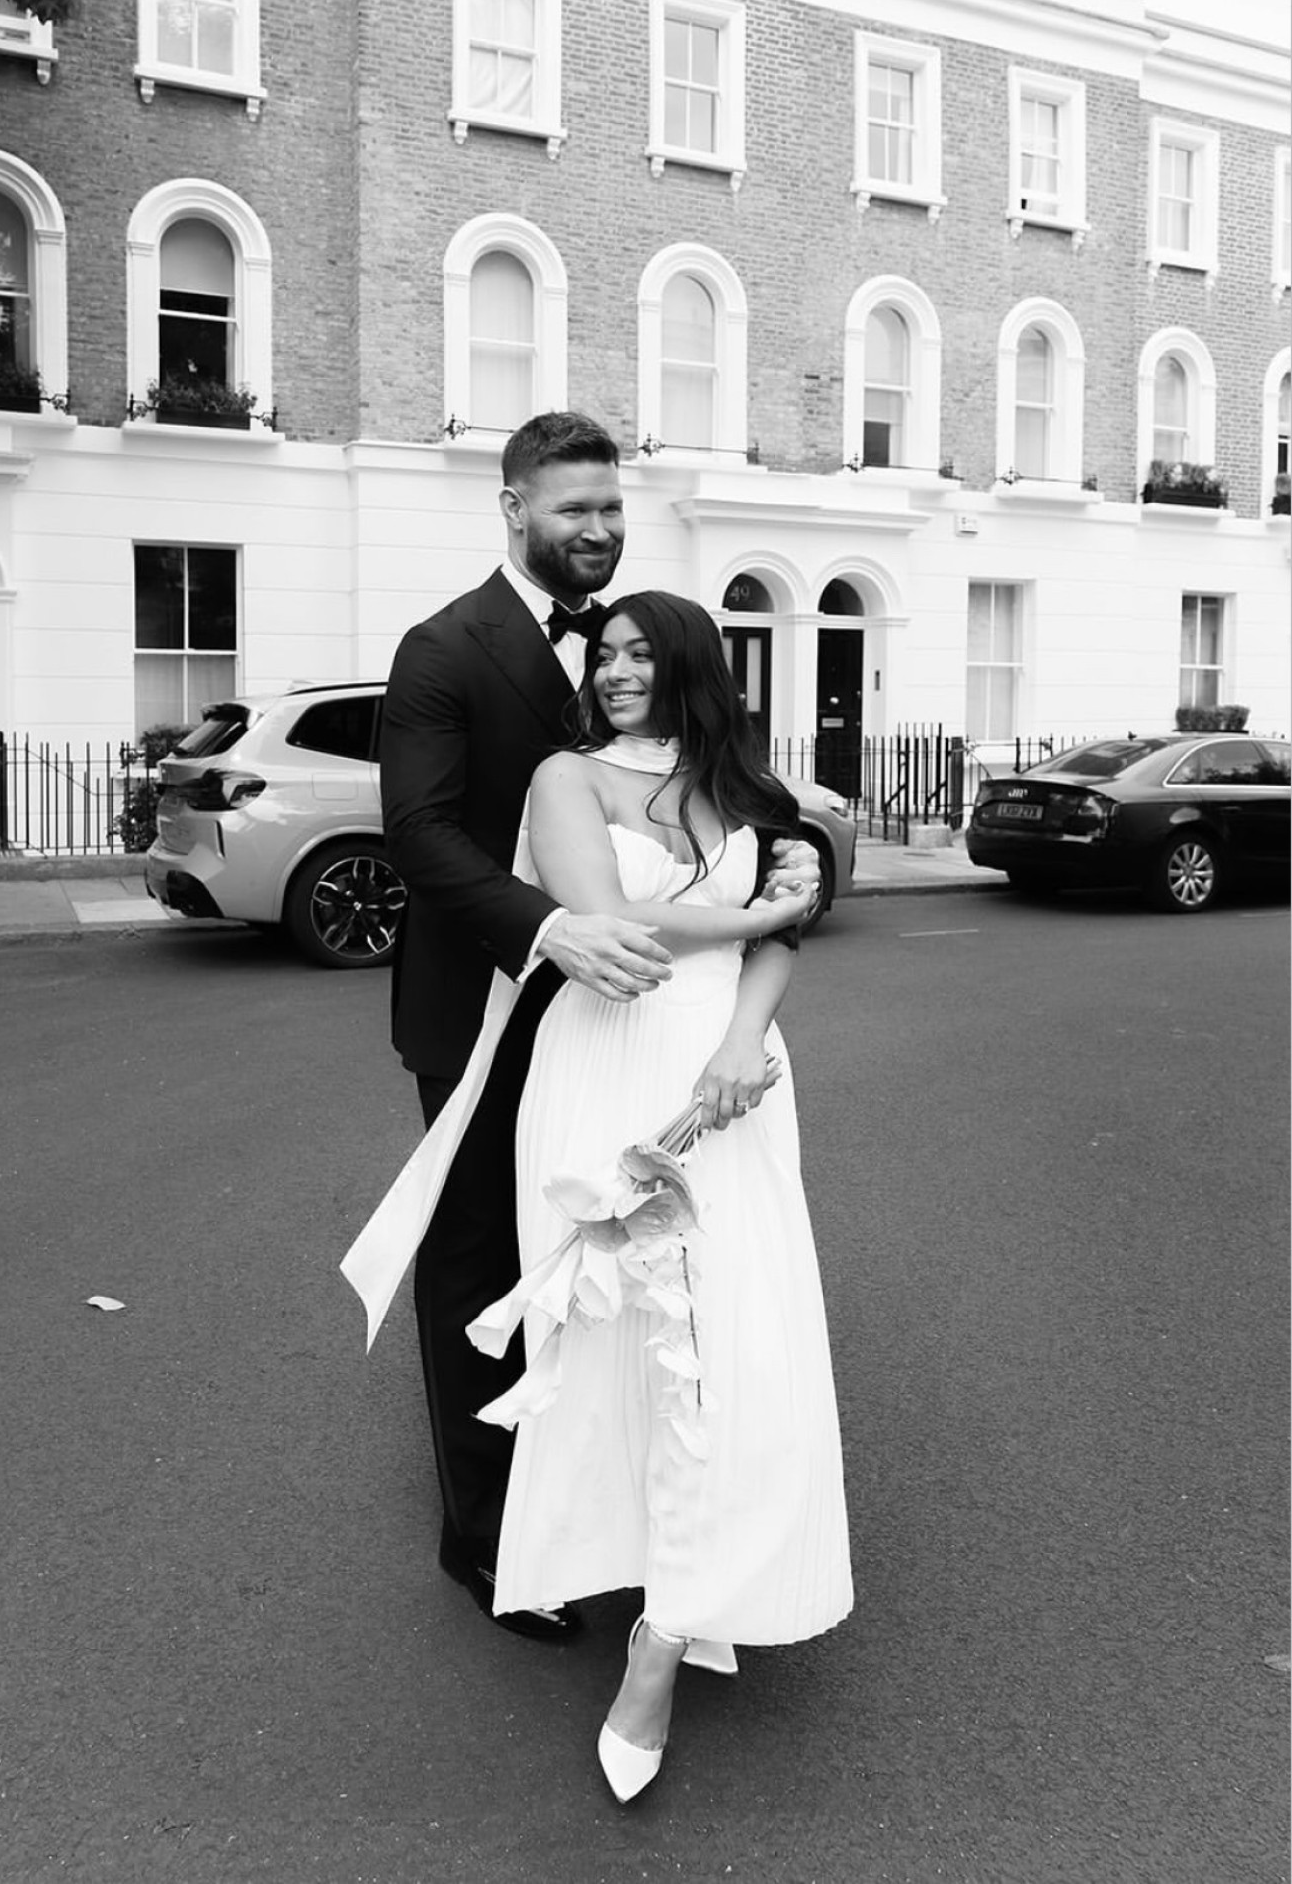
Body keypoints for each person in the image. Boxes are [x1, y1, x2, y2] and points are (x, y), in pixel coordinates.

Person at [374, 411, 819, 1642]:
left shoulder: (637, 643)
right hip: (488, 1002)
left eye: (610, 507)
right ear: (513, 508)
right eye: (572, 507)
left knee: (632, 1264)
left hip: (632, 1019)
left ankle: (623, 1509)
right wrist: (548, 926)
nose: (597, 527)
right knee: (483, 1264)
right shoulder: (442, 647)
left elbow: (728, 801)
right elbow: (420, 833)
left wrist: (799, 873)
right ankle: (487, 1538)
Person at [466, 591, 853, 1800]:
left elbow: (779, 942)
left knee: (730, 1343)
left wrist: (743, 1039)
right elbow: (611, 917)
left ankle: (668, 1629)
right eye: (605, 653)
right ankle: (650, 1574)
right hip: (603, 1063)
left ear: (687, 662)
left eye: (640, 652)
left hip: (728, 1074)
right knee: (618, 1341)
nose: (616, 669)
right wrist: (772, 903)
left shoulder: (742, 783)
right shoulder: (565, 777)